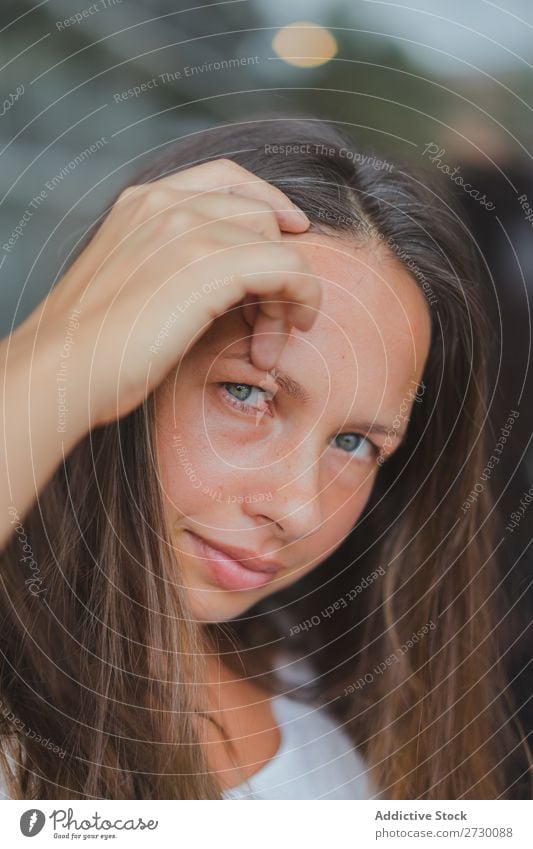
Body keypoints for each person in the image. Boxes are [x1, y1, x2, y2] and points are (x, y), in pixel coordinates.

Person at [0, 116, 530, 800]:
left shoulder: (334, 668)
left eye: (355, 442)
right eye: (247, 393)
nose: (298, 507)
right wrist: (59, 353)